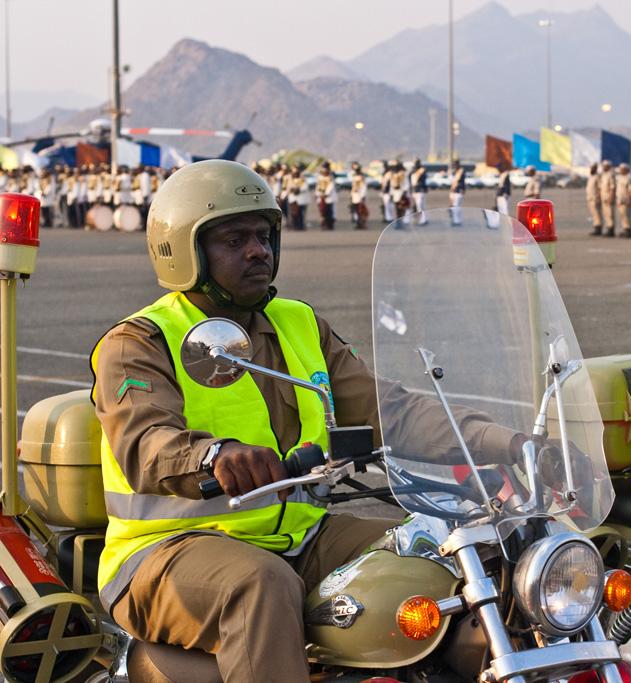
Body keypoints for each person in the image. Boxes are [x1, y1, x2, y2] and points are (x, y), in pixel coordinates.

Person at [90, 159, 526, 681]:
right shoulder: (140, 341)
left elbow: (391, 410)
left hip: (300, 537)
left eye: (263, 236)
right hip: (165, 554)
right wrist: (215, 455)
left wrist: (508, 443)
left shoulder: (298, 323)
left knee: (438, 550)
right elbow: (146, 440)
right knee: (259, 584)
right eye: (234, 240)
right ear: (186, 253)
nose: (258, 251)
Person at [315, 162, 337, 231]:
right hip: (321, 196)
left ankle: (329, 224)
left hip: (329, 197)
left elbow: (331, 186)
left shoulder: (331, 176)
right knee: (322, 211)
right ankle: (324, 223)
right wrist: (318, 193)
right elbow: (318, 186)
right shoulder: (320, 177)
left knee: (329, 211)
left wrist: (326, 194)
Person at [614, 163, 631, 239]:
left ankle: (628, 230)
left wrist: (630, 199)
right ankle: (625, 229)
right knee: (622, 215)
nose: (621, 170)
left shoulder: (629, 178)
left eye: (622, 169)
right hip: (620, 199)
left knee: (627, 215)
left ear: (626, 170)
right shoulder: (619, 178)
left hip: (626, 199)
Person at [599, 160, 616, 236]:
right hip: (604, 197)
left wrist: (611, 197)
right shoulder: (603, 175)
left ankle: (611, 229)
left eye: (605, 166)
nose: (603, 167)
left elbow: (613, 187)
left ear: (608, 166)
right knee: (606, 214)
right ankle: (608, 228)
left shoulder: (611, 175)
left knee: (610, 214)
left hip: (609, 197)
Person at [586, 163, 603, 236]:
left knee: (597, 214)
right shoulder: (591, 177)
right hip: (590, 198)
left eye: (592, 168)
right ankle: (595, 226)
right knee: (593, 214)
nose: (591, 169)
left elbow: (600, 188)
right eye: (591, 168)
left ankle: (598, 228)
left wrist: (599, 198)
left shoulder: (597, 177)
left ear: (595, 169)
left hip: (595, 198)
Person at [350, 162, 368, 230]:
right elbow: (353, 187)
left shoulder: (361, 177)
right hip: (355, 196)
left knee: (361, 211)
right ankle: (358, 223)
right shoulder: (355, 177)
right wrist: (352, 195)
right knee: (357, 211)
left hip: (360, 196)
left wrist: (362, 196)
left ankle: (362, 224)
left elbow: (363, 187)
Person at [410, 159, 428, 224]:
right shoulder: (415, 170)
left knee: (420, 206)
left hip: (420, 190)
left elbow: (423, 180)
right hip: (415, 190)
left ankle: (423, 219)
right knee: (419, 206)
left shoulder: (421, 170)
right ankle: (422, 219)